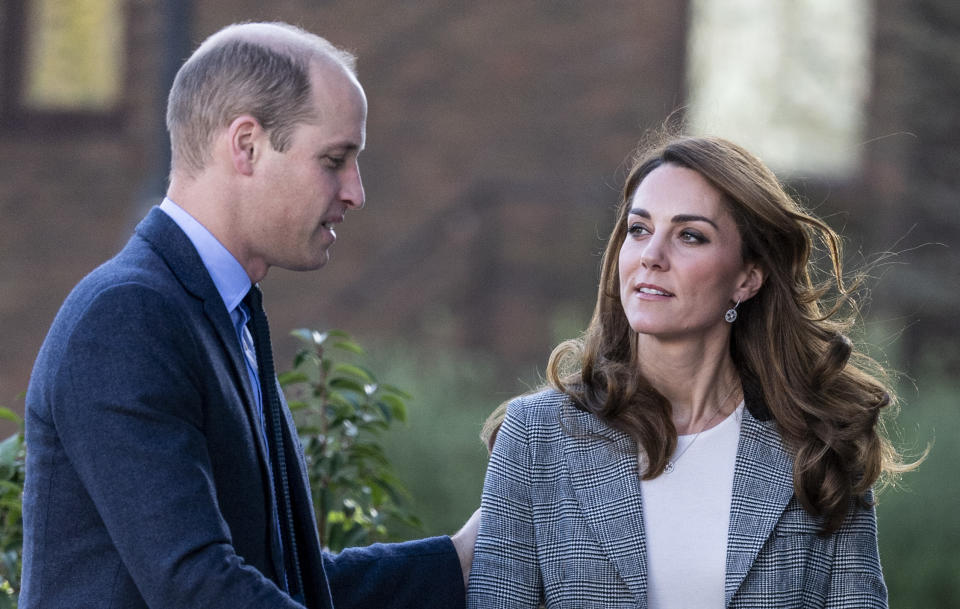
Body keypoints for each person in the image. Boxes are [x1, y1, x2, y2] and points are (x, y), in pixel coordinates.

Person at [21, 22, 477, 609]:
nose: (356, 192)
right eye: (334, 160)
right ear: (246, 146)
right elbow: (196, 586)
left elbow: (284, 583)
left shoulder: (220, 313)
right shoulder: (127, 316)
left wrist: (461, 560)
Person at [467, 133, 915, 608]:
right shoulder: (536, 437)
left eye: (690, 236)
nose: (651, 256)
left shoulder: (816, 442)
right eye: (639, 230)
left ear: (747, 278)